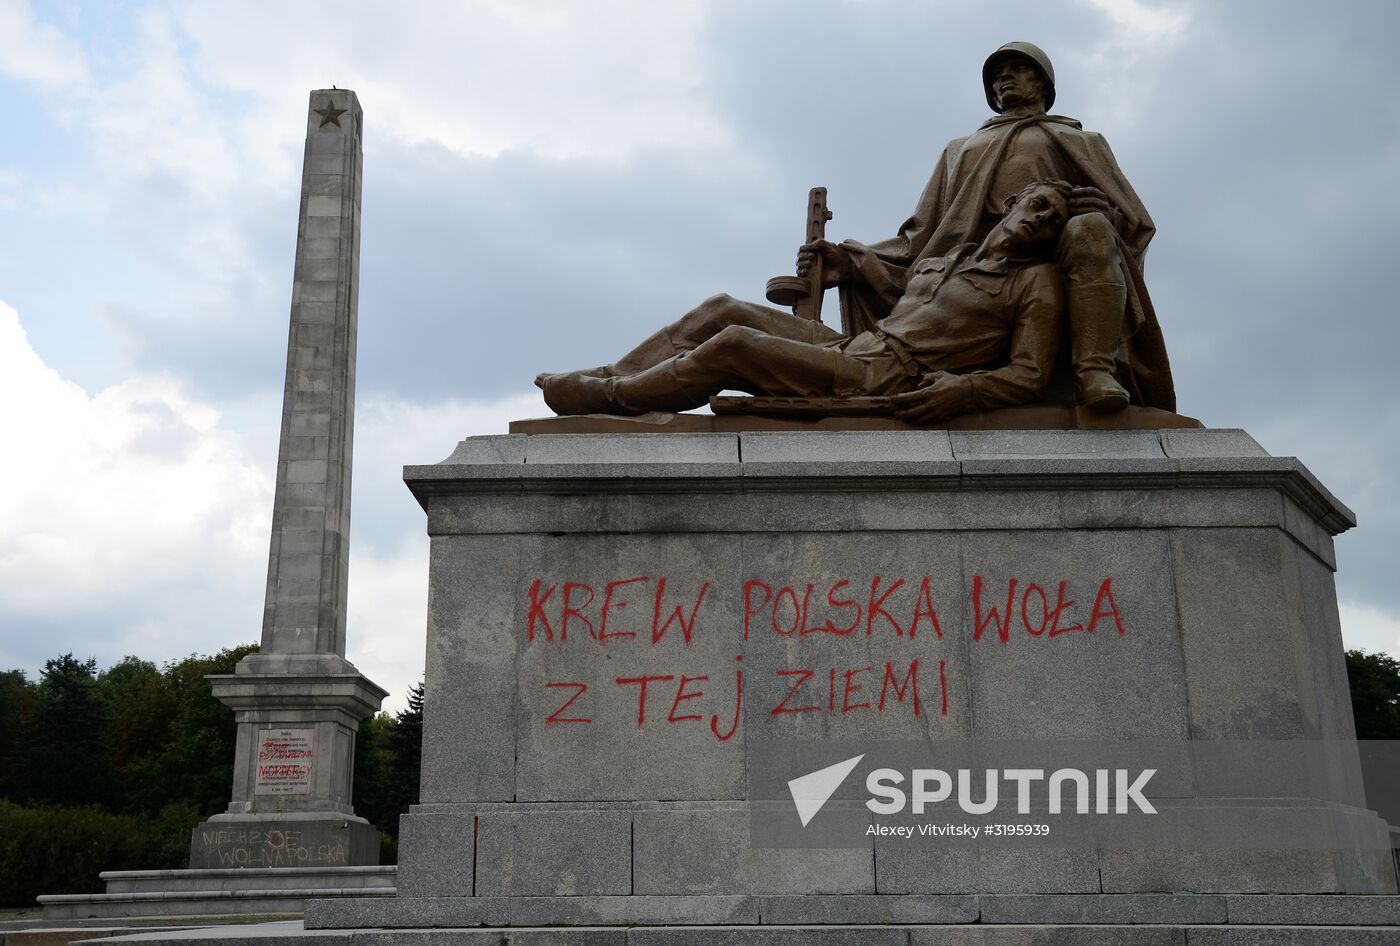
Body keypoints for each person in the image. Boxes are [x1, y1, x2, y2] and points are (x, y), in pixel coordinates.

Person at [799, 41, 1174, 412]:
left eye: (1017, 68)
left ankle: (1094, 369)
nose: (1004, 77)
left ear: (1043, 82)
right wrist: (852, 262)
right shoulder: (961, 148)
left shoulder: (1080, 140)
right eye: (997, 74)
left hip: (1052, 251)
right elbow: (923, 234)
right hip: (972, 265)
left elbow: (1135, 224)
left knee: (1091, 226)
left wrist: (1107, 214)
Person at [537, 180, 1070, 424]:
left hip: (883, 376)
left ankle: (613, 397)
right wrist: (840, 268)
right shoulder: (947, 259)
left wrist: (967, 388)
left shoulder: (1036, 281)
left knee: (736, 344)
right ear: (1010, 203)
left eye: (1053, 221)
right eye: (1039, 205)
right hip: (857, 346)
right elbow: (893, 293)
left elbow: (1031, 372)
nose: (1043, 220)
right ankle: (618, 369)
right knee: (722, 307)